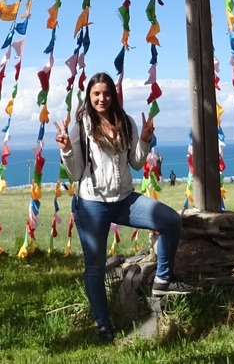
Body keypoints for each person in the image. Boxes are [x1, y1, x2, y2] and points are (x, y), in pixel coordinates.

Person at [54, 72, 192, 344]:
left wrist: (144, 139)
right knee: (94, 267)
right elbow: (76, 173)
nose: (101, 98)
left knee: (170, 221)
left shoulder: (125, 121)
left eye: (106, 93)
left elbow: (137, 163)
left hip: (125, 200)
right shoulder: (81, 125)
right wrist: (67, 149)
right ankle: (104, 326)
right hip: (92, 204)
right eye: (96, 94)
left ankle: (163, 279)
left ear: (113, 95)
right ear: (89, 96)